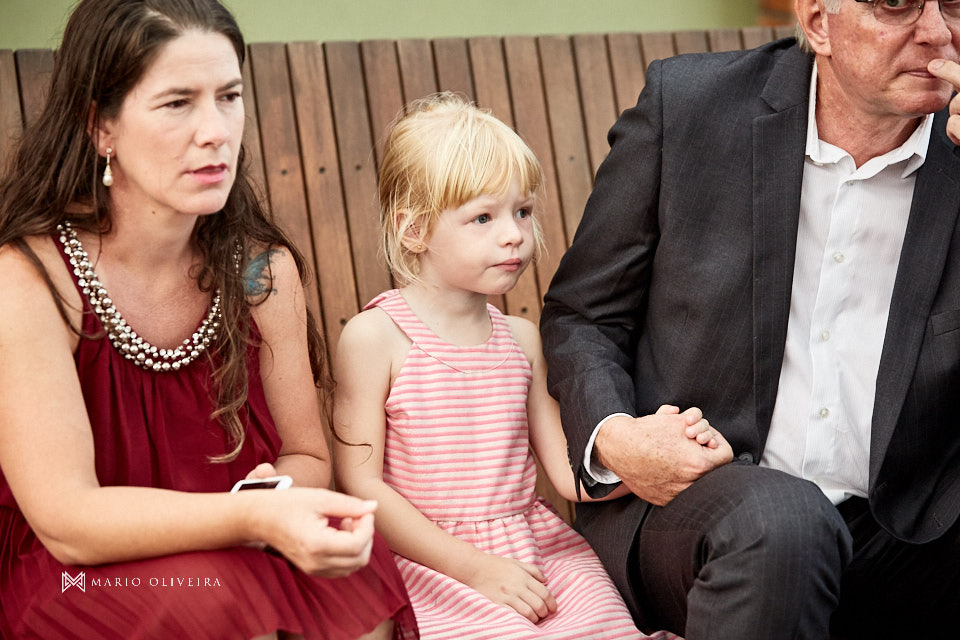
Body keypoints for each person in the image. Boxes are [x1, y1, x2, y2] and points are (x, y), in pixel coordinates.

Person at [540, 0, 960, 638]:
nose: (936, 31)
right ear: (817, 21)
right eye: (896, 4)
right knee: (783, 526)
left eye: (953, 3)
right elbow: (584, 314)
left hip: (904, 525)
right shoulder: (691, 108)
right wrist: (616, 437)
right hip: (703, 507)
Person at [0, 1, 419, 638]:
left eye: (229, 97)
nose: (216, 131)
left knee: (354, 574)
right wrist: (250, 520)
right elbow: (67, 522)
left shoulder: (259, 273)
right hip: (75, 570)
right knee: (217, 601)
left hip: (235, 543)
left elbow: (307, 454)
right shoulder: (30, 278)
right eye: (178, 103)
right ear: (101, 127)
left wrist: (269, 500)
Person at [331, 93, 714, 638]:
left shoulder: (520, 339)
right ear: (413, 229)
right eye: (482, 217)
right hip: (430, 561)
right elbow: (362, 485)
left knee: (603, 627)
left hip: (537, 551)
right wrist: (475, 568)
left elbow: (569, 474)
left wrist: (660, 453)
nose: (514, 233)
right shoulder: (376, 338)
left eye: (523, 212)